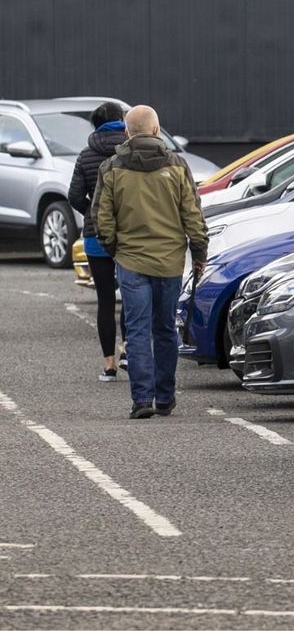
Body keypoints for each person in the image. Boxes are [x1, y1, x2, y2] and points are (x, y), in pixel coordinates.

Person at [92, 105, 208, 419]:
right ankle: (165, 397)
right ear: (157, 131)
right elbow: (193, 216)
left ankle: (142, 399)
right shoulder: (177, 166)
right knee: (166, 329)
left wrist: (113, 248)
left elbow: (101, 217)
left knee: (138, 330)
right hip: (169, 261)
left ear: (127, 132)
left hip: (130, 260)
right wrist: (199, 253)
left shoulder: (112, 168)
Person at [68, 102, 129, 381]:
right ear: (121, 121)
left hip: (95, 237)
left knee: (105, 300)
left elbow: (74, 195)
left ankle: (108, 364)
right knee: (131, 295)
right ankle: (129, 350)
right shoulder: (131, 151)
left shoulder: (85, 155)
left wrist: (92, 213)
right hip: (130, 234)